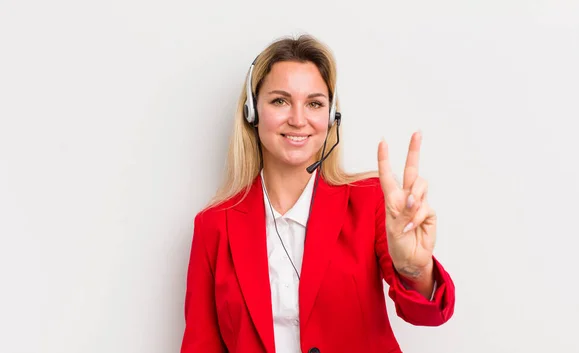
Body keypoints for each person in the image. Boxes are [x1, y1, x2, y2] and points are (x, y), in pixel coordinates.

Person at [180, 34, 455, 353]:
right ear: (252, 113)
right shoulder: (214, 226)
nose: (298, 120)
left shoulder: (370, 202)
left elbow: (427, 314)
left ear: (331, 116)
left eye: (314, 103)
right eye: (280, 101)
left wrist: (415, 269)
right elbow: (200, 345)